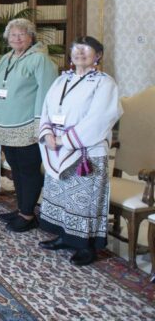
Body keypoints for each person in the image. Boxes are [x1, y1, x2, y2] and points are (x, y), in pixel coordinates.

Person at [37, 36, 121, 266]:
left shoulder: (104, 83)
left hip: (86, 151)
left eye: (87, 49)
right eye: (76, 49)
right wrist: (47, 134)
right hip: (57, 148)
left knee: (85, 201)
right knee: (62, 197)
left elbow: (100, 118)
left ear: (98, 55)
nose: (80, 53)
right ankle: (66, 236)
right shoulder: (61, 80)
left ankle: (86, 245)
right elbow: (46, 108)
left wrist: (65, 139)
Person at [0, 18, 57, 232]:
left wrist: (40, 126)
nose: (17, 38)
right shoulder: (6, 58)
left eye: (22, 34)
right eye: (13, 35)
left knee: (28, 171)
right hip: (5, 123)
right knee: (15, 170)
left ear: (30, 37)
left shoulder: (40, 60)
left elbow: (46, 94)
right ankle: (21, 209)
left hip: (27, 124)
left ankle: (28, 215)